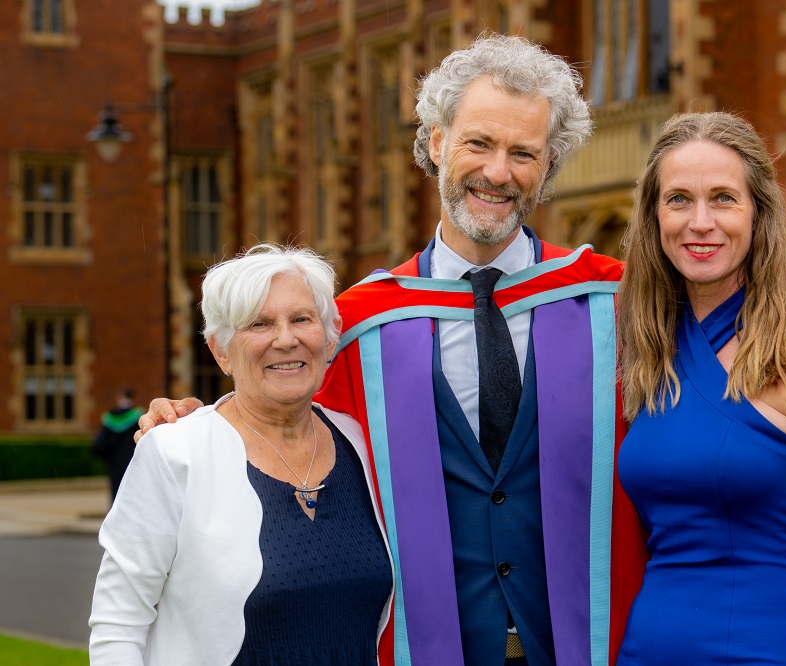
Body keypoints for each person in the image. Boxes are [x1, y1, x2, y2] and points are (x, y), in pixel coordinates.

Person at [135, 34, 648, 666]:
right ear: (436, 142)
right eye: (478, 143)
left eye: (524, 153)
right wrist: (190, 427)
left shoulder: (616, 304)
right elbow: (274, 418)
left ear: (549, 167)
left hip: (589, 644)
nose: (498, 171)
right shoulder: (357, 323)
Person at [615, 111, 786, 665]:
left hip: (764, 650)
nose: (699, 221)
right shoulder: (644, 346)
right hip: (645, 650)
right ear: (653, 215)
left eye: (724, 199)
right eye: (678, 199)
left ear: (759, 213)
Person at [90, 244, 393, 664]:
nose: (285, 340)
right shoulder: (177, 452)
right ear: (220, 350)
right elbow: (117, 624)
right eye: (259, 324)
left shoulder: (365, 444)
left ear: (330, 335)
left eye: (302, 319)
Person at [91, 386, 143, 502]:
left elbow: (100, 443)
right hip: (132, 459)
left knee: (116, 489)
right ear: (133, 398)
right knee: (132, 489)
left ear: (119, 398)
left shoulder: (110, 417)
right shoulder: (138, 417)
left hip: (114, 461)